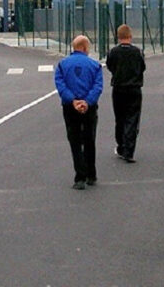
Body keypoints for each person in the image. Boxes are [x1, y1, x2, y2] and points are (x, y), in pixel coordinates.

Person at [54, 35, 104, 190]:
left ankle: (80, 177)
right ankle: (91, 173)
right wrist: (87, 101)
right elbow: (98, 86)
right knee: (89, 138)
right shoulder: (95, 65)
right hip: (89, 107)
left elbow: (60, 84)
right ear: (84, 47)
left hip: (70, 107)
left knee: (75, 140)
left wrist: (73, 100)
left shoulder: (62, 65)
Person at [106, 24, 146, 163]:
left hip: (118, 89)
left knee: (120, 118)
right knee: (132, 119)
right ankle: (129, 150)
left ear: (118, 37)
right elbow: (142, 67)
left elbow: (110, 66)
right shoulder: (137, 52)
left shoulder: (113, 52)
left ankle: (121, 145)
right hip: (134, 89)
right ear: (130, 36)